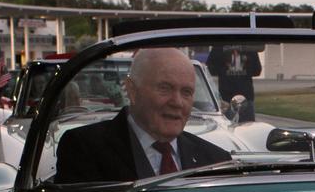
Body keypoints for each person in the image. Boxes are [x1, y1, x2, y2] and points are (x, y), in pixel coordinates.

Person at [55, 48, 230, 184]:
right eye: (165, 88)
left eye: (186, 92)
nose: (177, 102)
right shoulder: (83, 149)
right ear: (132, 90)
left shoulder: (216, 161)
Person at [206, 45, 262, 121]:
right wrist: (245, 70)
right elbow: (257, 70)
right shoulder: (249, 47)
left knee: (225, 128)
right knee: (247, 128)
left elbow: (210, 68)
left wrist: (224, 70)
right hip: (245, 96)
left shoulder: (219, 47)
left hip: (226, 96)